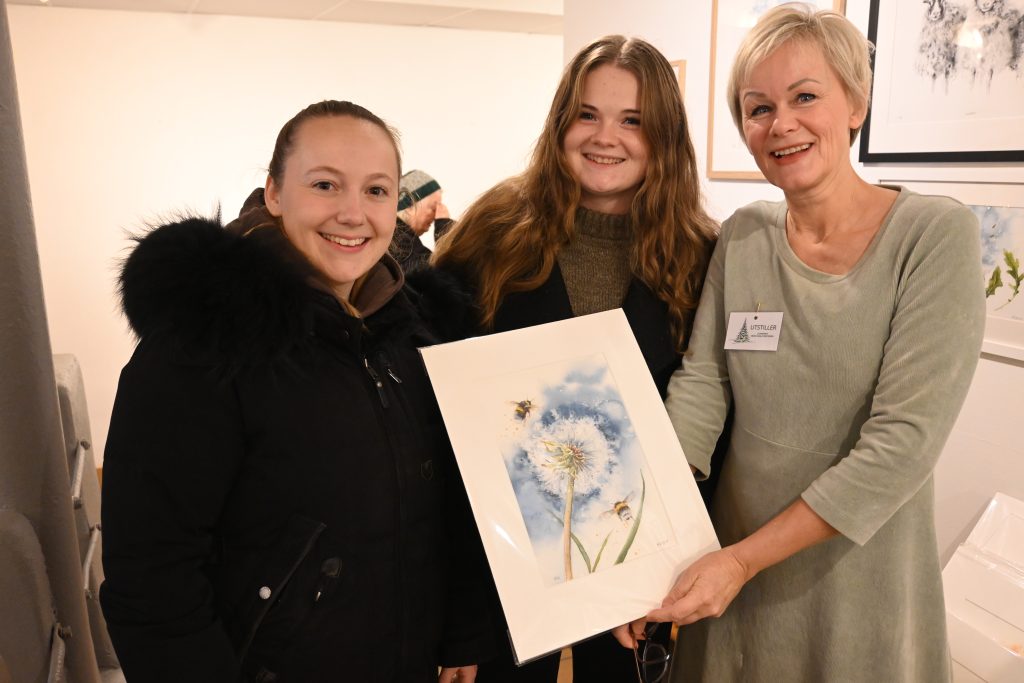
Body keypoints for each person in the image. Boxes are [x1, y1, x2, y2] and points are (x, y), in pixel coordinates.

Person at [612, 6, 985, 682]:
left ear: (855, 102)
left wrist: (744, 558)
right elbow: (703, 388)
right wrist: (649, 537)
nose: (780, 123)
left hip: (855, 576)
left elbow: (901, 445)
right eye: (758, 108)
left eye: (805, 96)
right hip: (729, 576)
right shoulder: (746, 235)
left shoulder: (933, 236)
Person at [100, 100, 484, 683]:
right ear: (275, 194)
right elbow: (152, 577)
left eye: (377, 191)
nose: (353, 214)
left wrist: (457, 629)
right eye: (326, 184)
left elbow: (437, 513)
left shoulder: (409, 334)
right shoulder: (202, 348)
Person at [433, 35, 719, 683]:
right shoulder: (491, 232)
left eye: (634, 121)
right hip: (497, 579)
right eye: (586, 114)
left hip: (643, 583)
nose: (604, 137)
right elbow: (441, 414)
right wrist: (456, 618)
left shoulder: (702, 258)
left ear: (665, 138)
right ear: (561, 123)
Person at [391, 169, 454, 272]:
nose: (436, 215)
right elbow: (442, 280)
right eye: (434, 207)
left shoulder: (399, 240)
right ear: (410, 205)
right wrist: (445, 229)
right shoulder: (399, 245)